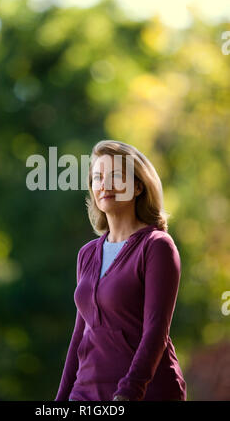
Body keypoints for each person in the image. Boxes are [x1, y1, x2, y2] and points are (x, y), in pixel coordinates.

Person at [55, 140, 187, 401]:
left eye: (115, 175)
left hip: (144, 392)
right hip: (86, 392)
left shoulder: (156, 246)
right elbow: (80, 335)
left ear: (138, 186)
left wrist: (129, 391)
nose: (104, 184)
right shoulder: (87, 254)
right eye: (97, 177)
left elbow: (156, 331)